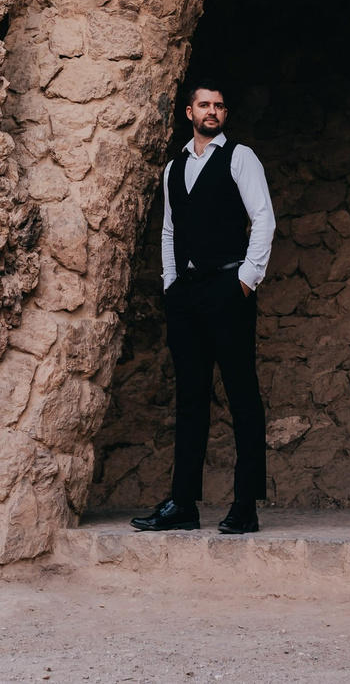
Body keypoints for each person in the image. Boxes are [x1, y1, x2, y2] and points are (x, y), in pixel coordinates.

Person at [132, 83, 276, 535]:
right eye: (204, 105)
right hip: (186, 294)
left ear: (224, 113)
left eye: (218, 106)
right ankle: (183, 504)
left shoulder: (239, 157)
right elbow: (169, 232)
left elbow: (264, 218)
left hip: (228, 288)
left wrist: (246, 281)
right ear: (188, 112)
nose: (211, 112)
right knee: (191, 398)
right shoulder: (173, 168)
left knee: (242, 395)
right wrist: (171, 283)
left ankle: (245, 505)